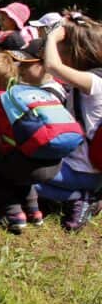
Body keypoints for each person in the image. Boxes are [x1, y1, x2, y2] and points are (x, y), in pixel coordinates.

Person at [0, 52, 53, 232]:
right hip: (50, 160)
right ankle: (33, 211)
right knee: (21, 169)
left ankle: (12, 212)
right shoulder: (17, 98)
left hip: (24, 164)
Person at [37, 12, 102, 230]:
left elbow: (52, 67)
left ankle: (79, 197)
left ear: (76, 51)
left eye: (62, 50)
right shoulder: (90, 77)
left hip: (82, 170)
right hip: (85, 166)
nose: (59, 55)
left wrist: (53, 36)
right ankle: (78, 195)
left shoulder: (95, 82)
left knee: (11, 174)